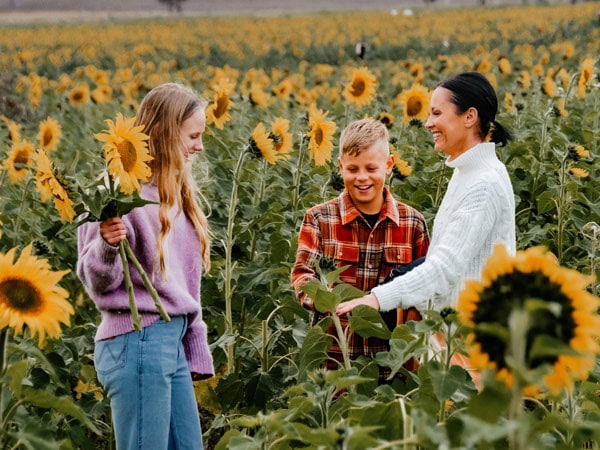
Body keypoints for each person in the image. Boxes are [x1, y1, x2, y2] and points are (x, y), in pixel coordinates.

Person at [77, 82, 213, 450]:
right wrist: (107, 244)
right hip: (137, 339)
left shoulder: (176, 196)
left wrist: (194, 343)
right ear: (166, 134)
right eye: (193, 136)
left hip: (171, 340)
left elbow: (187, 285)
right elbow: (96, 281)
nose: (200, 146)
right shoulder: (116, 193)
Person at [336, 72, 515, 326]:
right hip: (457, 332)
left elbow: (444, 268)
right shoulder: (469, 172)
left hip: (471, 339)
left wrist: (378, 298)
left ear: (469, 116)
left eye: (437, 113)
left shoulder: (483, 183)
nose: (428, 123)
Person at [291, 118, 430, 381]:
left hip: (393, 361)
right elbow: (302, 276)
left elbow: (427, 281)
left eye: (371, 168)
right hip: (335, 357)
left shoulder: (412, 223)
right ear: (341, 167)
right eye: (353, 169)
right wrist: (329, 302)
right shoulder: (320, 219)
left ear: (388, 165)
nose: (362, 177)